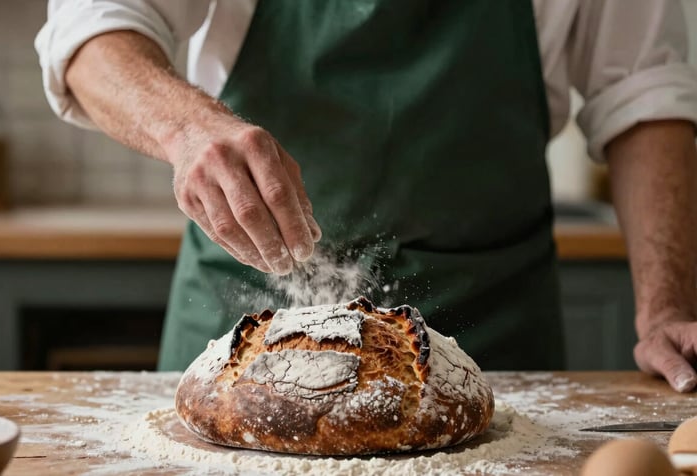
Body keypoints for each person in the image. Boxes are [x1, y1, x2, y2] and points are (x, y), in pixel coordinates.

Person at [36, 0, 697, 392]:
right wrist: (189, 128)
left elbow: (645, 89)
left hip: (492, 330)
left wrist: (668, 305)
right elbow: (91, 30)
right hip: (250, 332)